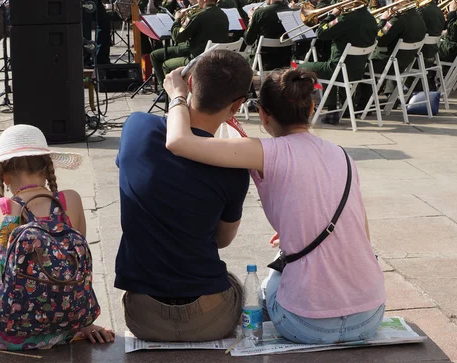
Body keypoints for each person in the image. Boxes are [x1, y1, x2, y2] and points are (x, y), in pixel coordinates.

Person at [163, 64, 386, 344]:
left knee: (267, 282)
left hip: (305, 325)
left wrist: (177, 94)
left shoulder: (263, 152)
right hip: (369, 315)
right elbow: (361, 235)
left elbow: (178, 141)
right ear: (311, 108)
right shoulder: (343, 156)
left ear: (263, 114)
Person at [0, 125, 114, 355]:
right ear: (47, 169)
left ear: (4, 176)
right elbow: (77, 269)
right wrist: (84, 322)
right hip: (64, 325)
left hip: (7, 330)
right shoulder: (70, 201)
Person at [116, 50, 253, 342]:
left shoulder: (137, 127)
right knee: (236, 286)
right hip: (210, 319)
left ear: (188, 83)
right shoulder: (234, 165)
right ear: (238, 105)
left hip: (143, 317)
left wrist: (177, 98)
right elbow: (223, 240)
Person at [300, 3, 377, 124]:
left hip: (338, 69)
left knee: (296, 68)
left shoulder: (345, 19)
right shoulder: (371, 19)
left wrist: (331, 16)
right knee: (332, 71)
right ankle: (339, 110)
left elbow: (321, 33)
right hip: (357, 70)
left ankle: (299, 109)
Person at [355, 6, 427, 111]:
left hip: (391, 64)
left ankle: (362, 105)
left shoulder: (399, 19)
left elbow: (379, 40)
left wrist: (383, 20)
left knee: (363, 67)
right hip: (404, 63)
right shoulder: (418, 18)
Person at [150, 0, 229, 91]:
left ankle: (169, 95)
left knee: (165, 65)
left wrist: (177, 19)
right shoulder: (222, 14)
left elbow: (177, 37)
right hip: (212, 55)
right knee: (158, 54)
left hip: (198, 59)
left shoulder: (198, 16)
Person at [244, 0, 292, 70]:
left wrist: (252, 20)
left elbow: (248, 41)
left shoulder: (260, 12)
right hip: (286, 62)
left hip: (262, 63)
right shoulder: (293, 12)